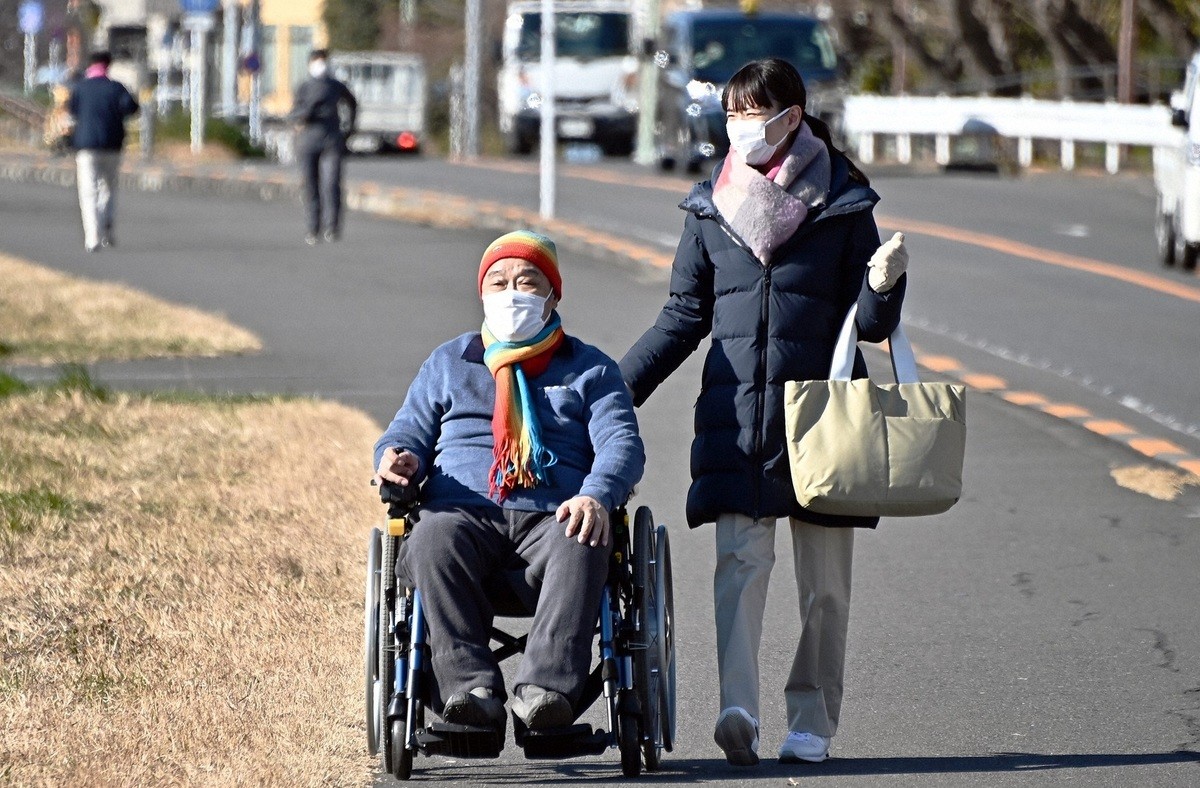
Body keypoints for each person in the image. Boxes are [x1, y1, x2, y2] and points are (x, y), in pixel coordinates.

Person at [619, 58, 909, 766]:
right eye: (733, 114)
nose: (742, 127)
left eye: (754, 112)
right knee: (738, 568)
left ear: (793, 115)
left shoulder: (845, 205)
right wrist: (613, 387)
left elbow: (869, 325)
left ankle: (811, 720)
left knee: (825, 587)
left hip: (824, 418)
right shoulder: (711, 206)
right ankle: (737, 709)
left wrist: (883, 286)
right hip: (739, 420)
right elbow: (683, 317)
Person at [374, 230, 645, 732]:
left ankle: (545, 691)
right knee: (430, 538)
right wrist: (397, 459)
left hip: (555, 516)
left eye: (527, 282)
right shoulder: (449, 363)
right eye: (498, 283)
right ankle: (469, 689)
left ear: (552, 294)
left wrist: (596, 495)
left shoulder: (591, 370)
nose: (511, 293)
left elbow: (621, 445)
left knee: (585, 537)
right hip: (462, 513)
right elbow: (405, 432)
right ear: (481, 294)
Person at [67, 51, 138, 253]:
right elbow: (131, 108)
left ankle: (92, 237)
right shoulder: (116, 88)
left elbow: (72, 111)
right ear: (108, 65)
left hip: (86, 146)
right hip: (112, 145)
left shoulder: (80, 88)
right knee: (109, 187)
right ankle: (107, 224)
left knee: (88, 190)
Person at [290, 49, 357, 245]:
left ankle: (332, 227)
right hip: (308, 142)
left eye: (323, 62)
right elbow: (294, 112)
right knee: (311, 186)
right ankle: (312, 228)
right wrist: (302, 117)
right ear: (310, 64)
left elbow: (352, 103)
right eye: (317, 62)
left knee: (331, 184)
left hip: (331, 141)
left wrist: (349, 129)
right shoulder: (303, 87)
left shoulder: (336, 86)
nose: (321, 65)